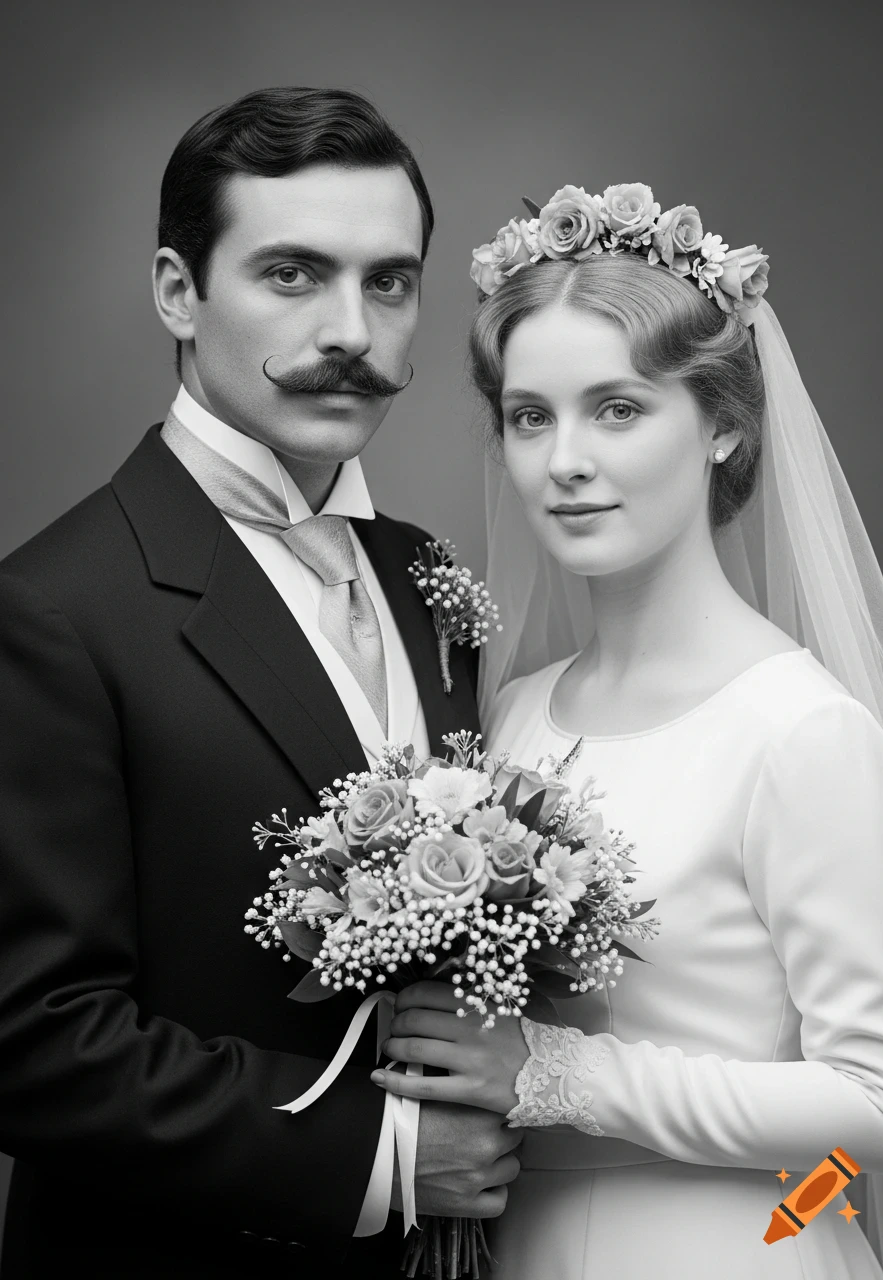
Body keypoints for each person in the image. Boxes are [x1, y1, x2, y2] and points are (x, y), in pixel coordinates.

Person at [0, 88, 521, 1280]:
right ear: (177, 290)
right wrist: (383, 1157)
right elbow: (29, 1038)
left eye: (388, 282)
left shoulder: (427, 572)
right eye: (293, 274)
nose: (352, 328)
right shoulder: (48, 610)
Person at [371, 183, 883, 1278]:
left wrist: (558, 1074)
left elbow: (876, 1102)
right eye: (529, 415)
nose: (562, 459)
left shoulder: (798, 732)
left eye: (616, 408)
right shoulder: (513, 710)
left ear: (722, 427)